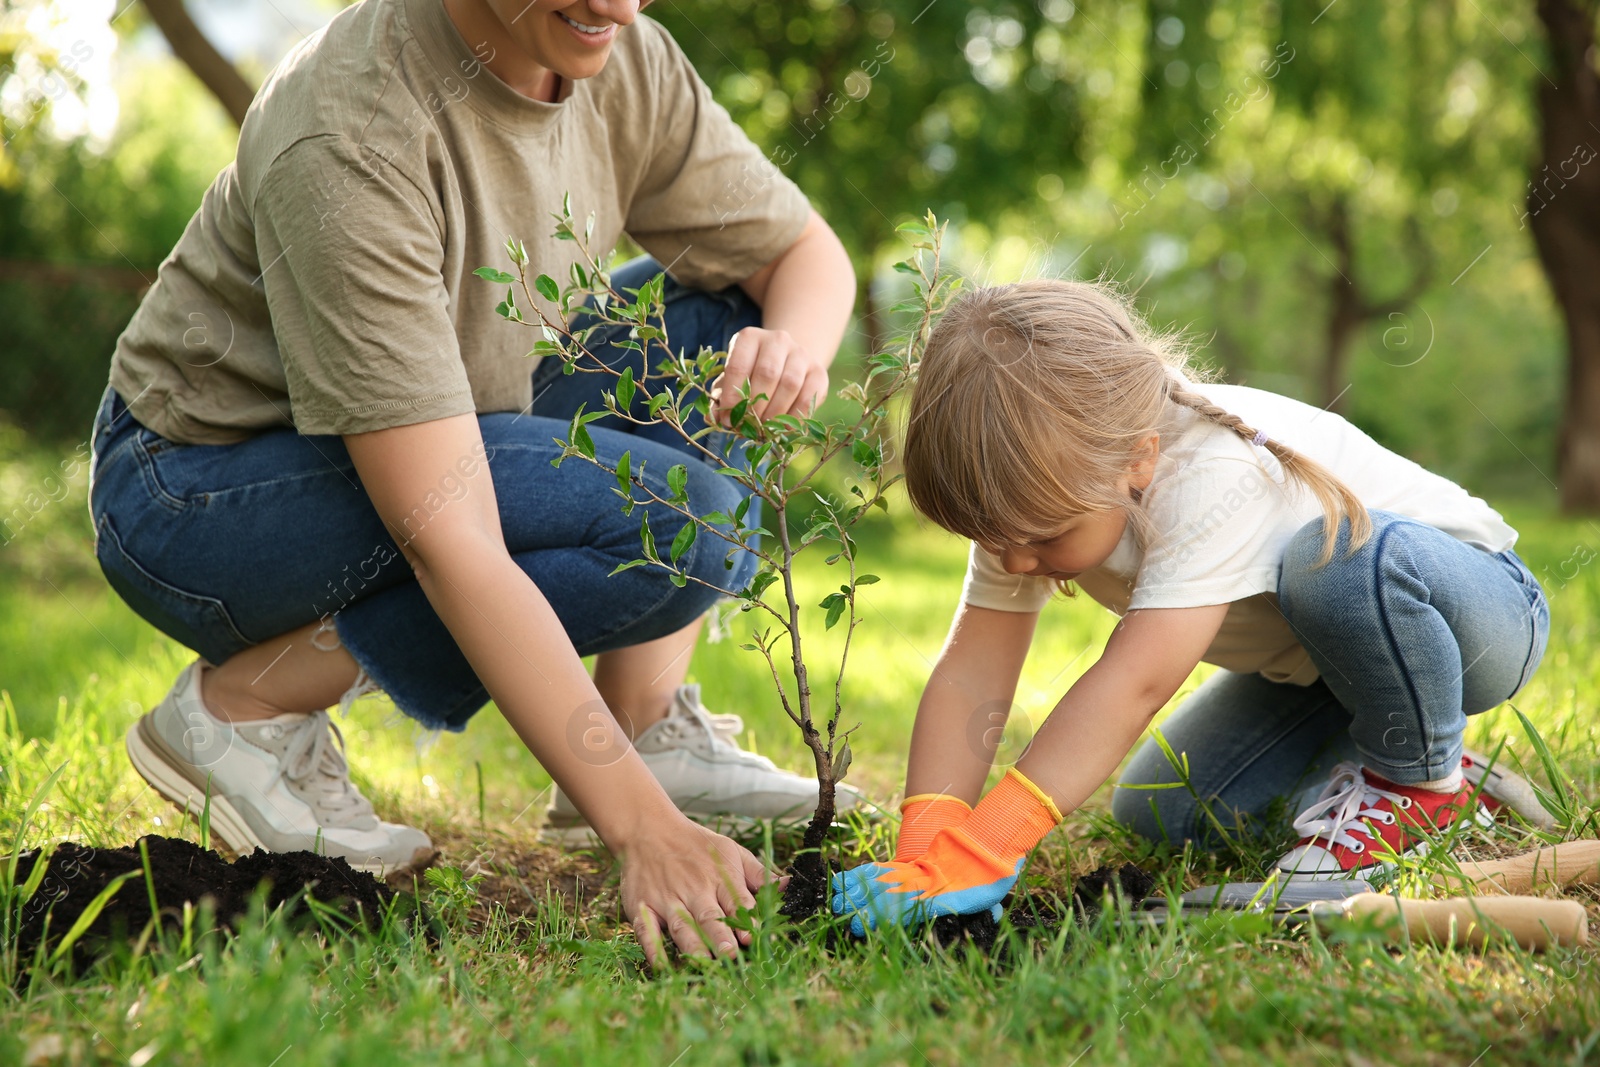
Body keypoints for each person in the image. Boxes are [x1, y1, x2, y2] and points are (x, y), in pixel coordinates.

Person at [88, 0, 862, 966]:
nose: (620, 7)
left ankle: (646, 721)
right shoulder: (351, 128)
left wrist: (786, 355)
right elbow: (449, 537)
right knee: (684, 526)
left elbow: (803, 254)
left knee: (729, 316)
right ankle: (244, 707)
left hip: (459, 414)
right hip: (199, 493)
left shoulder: (619, 53)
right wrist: (641, 830)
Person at [830, 279, 1554, 933]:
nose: (1015, 561)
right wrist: (928, 848)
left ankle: (1420, 785)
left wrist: (991, 842)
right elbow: (971, 671)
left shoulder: (1211, 470)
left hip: (1478, 621)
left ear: (1138, 460)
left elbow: (1136, 680)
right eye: (994, 538)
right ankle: (1437, 761)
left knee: (1335, 560)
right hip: (1329, 675)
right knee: (1163, 807)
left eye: (1042, 537)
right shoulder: (1036, 492)